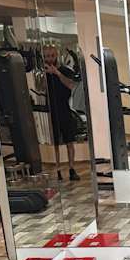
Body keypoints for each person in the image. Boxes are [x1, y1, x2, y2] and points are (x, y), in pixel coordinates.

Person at [42, 44, 80, 181]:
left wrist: (57, 73)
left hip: (64, 109)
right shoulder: (43, 73)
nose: (50, 59)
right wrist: (45, 75)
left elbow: (71, 85)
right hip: (52, 111)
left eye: (52, 56)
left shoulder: (65, 70)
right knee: (56, 143)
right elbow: (41, 90)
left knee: (69, 141)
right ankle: (58, 170)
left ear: (56, 55)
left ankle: (71, 169)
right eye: (47, 56)